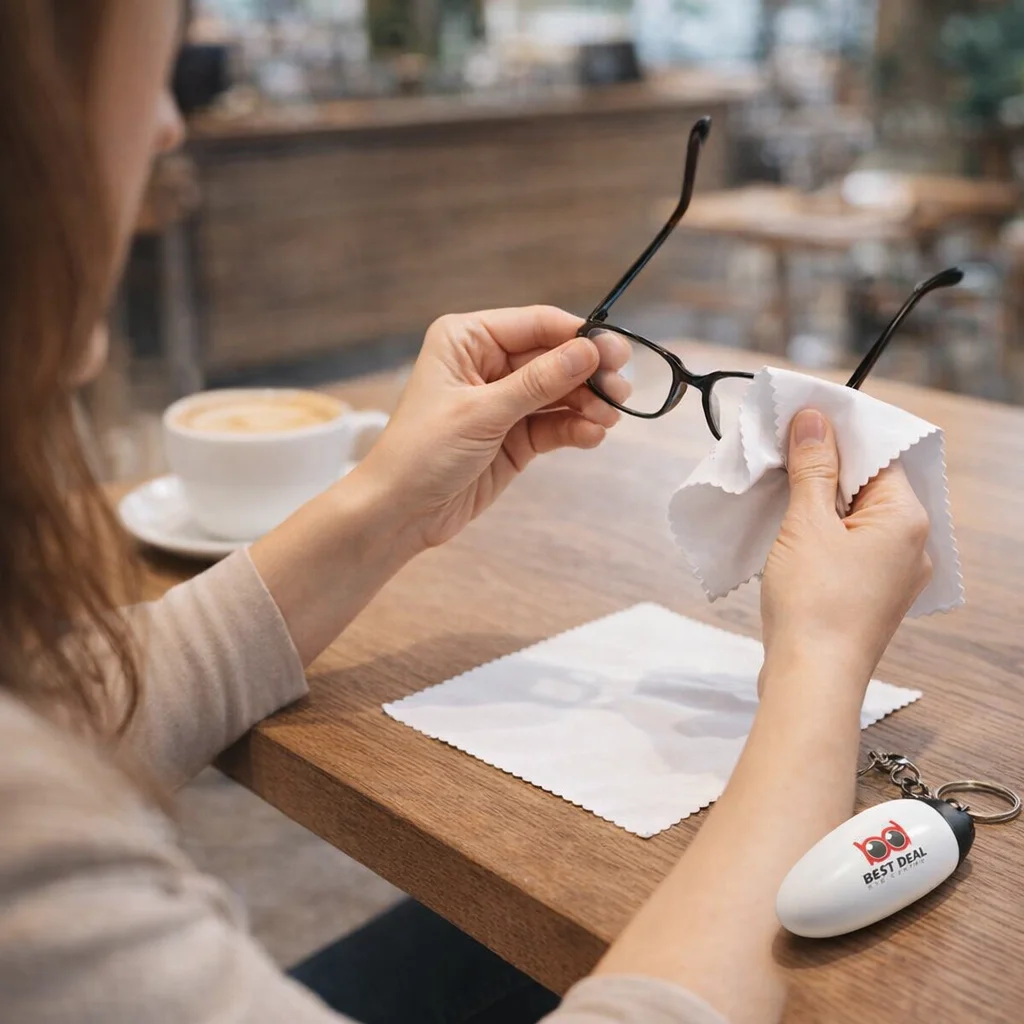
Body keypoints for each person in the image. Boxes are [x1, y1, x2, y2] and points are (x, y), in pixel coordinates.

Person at [0, 3, 933, 1023]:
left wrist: (390, 504)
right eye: (152, 73)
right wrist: (822, 668)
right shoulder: (38, 887)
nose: (171, 128)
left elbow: (62, 718)